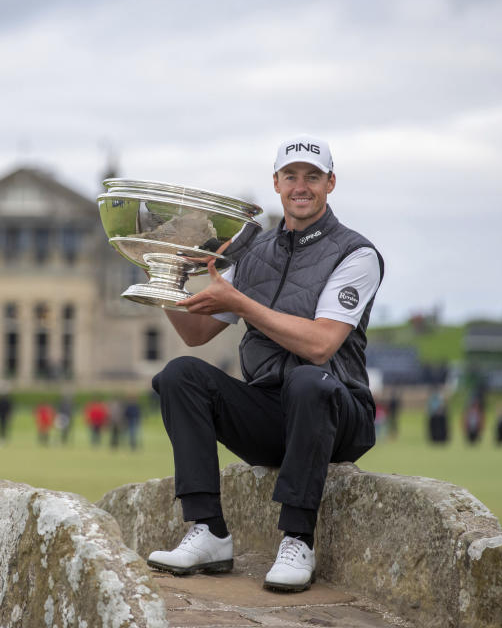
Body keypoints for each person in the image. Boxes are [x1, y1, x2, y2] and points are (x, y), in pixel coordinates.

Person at [147, 135, 383, 593]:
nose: (301, 186)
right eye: (291, 176)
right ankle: (208, 531)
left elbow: (321, 345)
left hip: (336, 411)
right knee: (179, 375)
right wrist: (160, 271)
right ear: (276, 183)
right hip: (271, 414)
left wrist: (241, 303)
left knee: (306, 380)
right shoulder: (252, 251)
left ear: (330, 183)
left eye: (312, 177)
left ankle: (298, 538)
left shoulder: (357, 253)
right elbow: (194, 333)